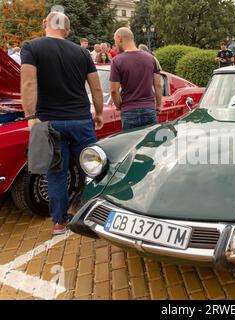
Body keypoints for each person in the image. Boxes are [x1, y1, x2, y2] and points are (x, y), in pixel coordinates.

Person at [20, 12, 104, 235]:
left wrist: (30, 117)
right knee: (92, 168)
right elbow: (96, 88)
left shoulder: (31, 47)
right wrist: (100, 113)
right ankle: (92, 213)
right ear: (67, 30)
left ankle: (59, 221)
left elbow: (28, 83)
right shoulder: (82, 52)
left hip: (49, 123)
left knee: (56, 172)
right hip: (80, 120)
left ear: (44, 24)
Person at [110, 27, 162, 131]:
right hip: (149, 108)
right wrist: (158, 105)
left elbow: (114, 91)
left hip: (129, 110)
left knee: (131, 145)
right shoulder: (151, 58)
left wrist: (119, 106)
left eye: (115, 41)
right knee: (151, 144)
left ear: (119, 38)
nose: (115, 45)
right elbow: (158, 85)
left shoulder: (117, 61)